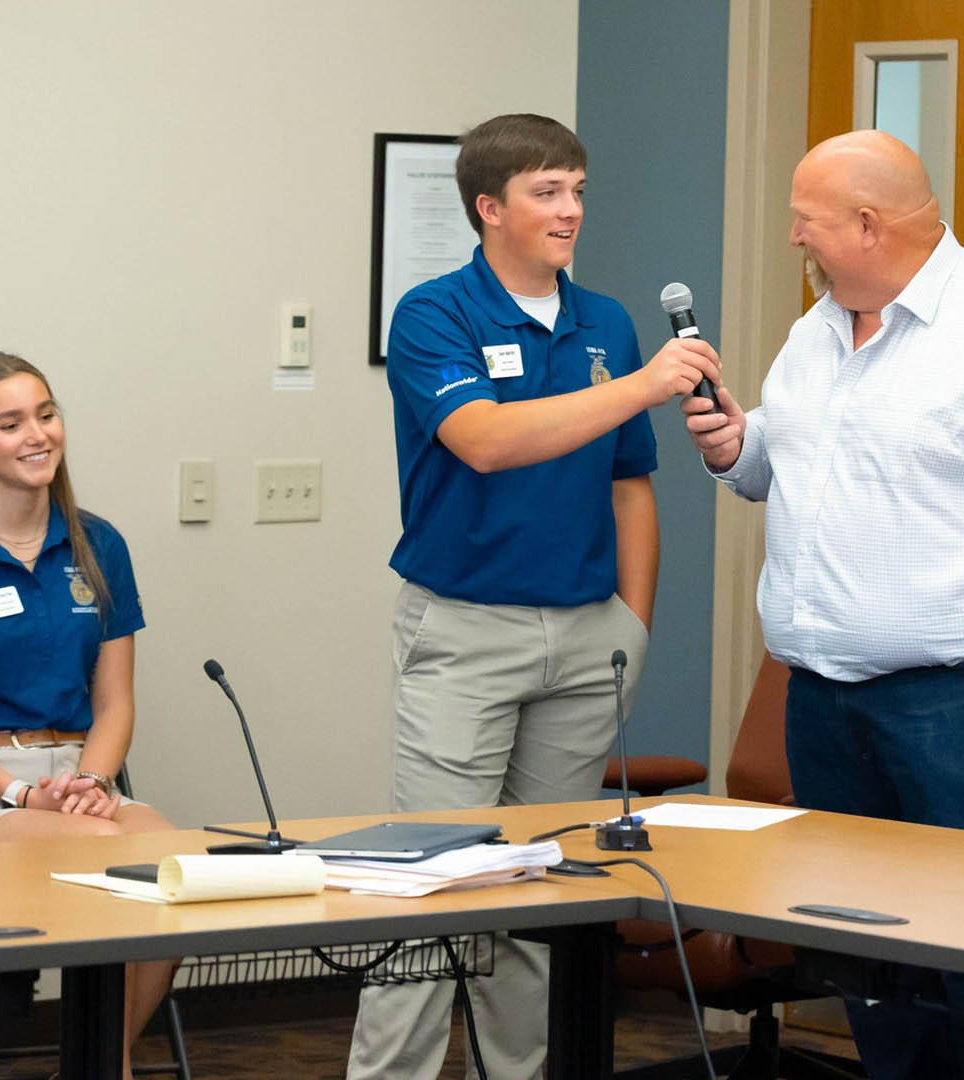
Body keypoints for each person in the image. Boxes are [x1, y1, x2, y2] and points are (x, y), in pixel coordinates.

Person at [683, 130, 964, 1080]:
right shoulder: (819, 330)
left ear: (869, 224)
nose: (795, 240)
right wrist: (737, 448)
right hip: (829, 702)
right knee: (868, 968)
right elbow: (797, 461)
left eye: (806, 224)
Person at [351, 112, 721, 1080]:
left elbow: (629, 482)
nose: (571, 211)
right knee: (429, 880)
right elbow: (485, 438)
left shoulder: (605, 321)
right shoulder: (434, 314)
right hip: (465, 632)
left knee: (537, 888)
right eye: (548, 192)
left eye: (579, 191)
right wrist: (642, 385)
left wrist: (630, 623)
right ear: (489, 208)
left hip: (586, 634)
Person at [0, 351, 176, 1080]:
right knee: (97, 856)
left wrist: (92, 780)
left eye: (45, 414)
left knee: (174, 869)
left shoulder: (98, 544)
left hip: (79, 779)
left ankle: (105, 1060)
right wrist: (19, 792)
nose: (36, 434)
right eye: (10, 423)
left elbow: (115, 702)